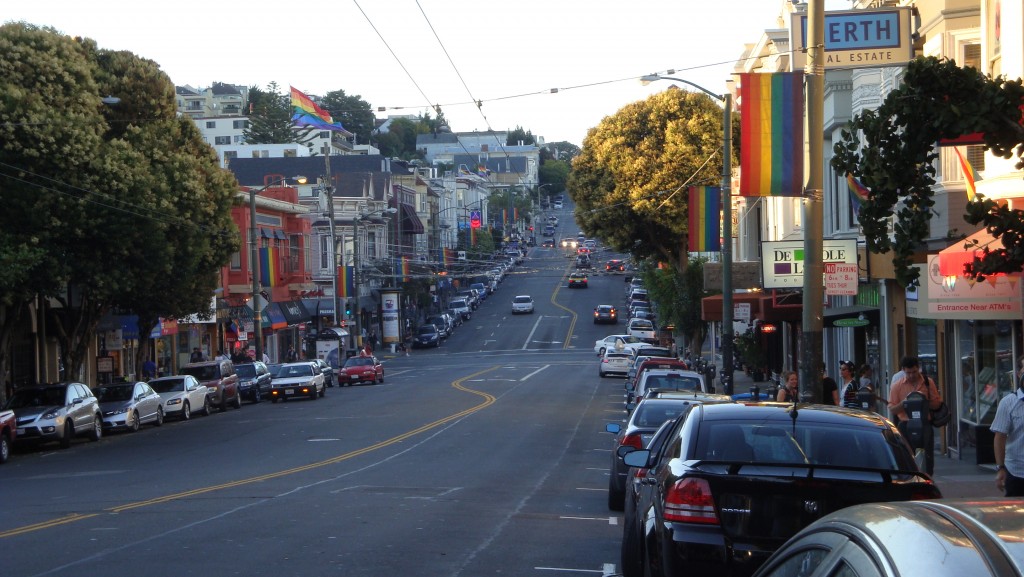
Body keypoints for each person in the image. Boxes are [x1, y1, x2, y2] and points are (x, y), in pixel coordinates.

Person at [888, 355, 943, 476]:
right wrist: (905, 403)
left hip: (924, 424)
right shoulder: (897, 386)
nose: (912, 375)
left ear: (918, 368)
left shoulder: (928, 382)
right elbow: (892, 409)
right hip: (906, 424)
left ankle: (927, 479)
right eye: (908, 373)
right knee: (907, 457)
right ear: (903, 370)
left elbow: (937, 403)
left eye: (914, 372)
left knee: (928, 457)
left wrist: (924, 402)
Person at [991, 355, 1024, 496]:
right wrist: (1001, 468)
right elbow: (1000, 437)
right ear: (1019, 373)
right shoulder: (1008, 403)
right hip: (1016, 472)